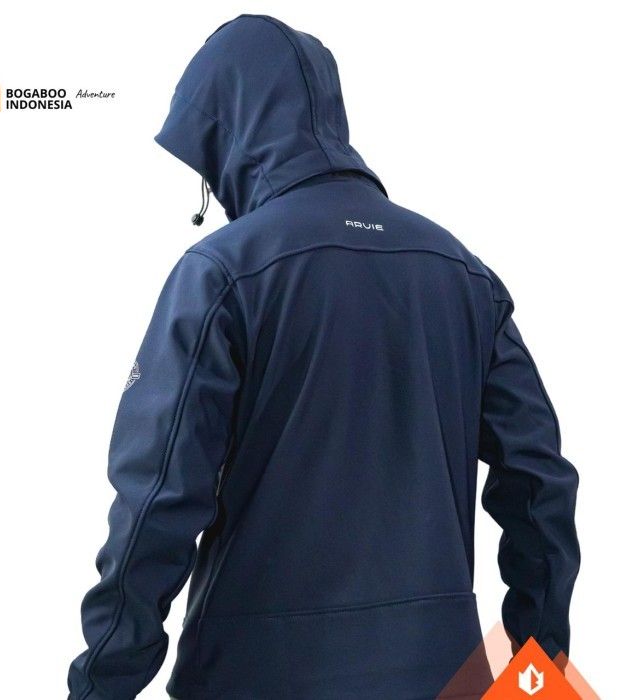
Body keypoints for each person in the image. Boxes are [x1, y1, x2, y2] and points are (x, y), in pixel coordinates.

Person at [68, 14, 579, 700]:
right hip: (441, 678)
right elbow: (539, 481)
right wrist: (538, 677)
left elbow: (156, 503)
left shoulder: (223, 274)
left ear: (225, 137)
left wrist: (98, 687)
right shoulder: (463, 274)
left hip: (253, 679)